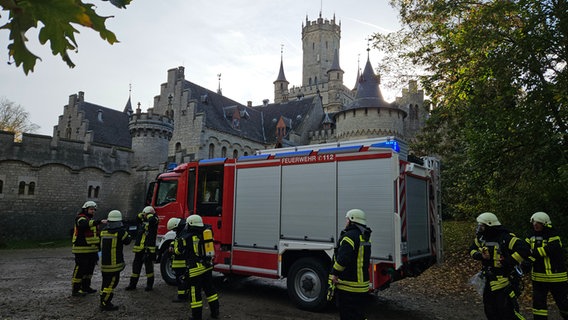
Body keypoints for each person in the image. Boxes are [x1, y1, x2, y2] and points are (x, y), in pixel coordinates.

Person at [469, 212, 531, 320]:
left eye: (482, 226)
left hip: (504, 282)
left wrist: (508, 261)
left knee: (508, 314)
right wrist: (480, 256)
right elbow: (471, 249)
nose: (479, 228)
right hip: (488, 281)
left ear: (489, 225)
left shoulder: (505, 237)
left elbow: (524, 249)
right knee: (490, 312)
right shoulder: (482, 238)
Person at [329, 209, 372, 320]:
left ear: (352, 220)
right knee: (359, 315)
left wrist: (335, 273)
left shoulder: (349, 237)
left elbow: (342, 260)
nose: (346, 222)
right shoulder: (364, 236)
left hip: (349, 285)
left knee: (347, 315)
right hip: (362, 285)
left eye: (347, 219)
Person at [526, 211, 568, 319]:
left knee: (564, 304)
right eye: (534, 223)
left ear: (545, 224)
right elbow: (524, 249)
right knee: (539, 308)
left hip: (556, 277)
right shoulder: (530, 235)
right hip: (538, 278)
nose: (535, 225)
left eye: (538, 223)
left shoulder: (553, 234)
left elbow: (551, 249)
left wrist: (532, 252)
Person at [185, 214, 219, 320]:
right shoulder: (206, 233)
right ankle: (215, 312)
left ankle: (196, 317)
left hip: (195, 269)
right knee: (210, 290)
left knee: (195, 294)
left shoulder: (188, 237)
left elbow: (181, 252)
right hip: (207, 266)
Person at [71, 200, 107, 297]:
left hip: (92, 250)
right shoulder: (80, 218)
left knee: (89, 270)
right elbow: (84, 224)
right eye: (91, 209)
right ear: (85, 209)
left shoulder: (91, 221)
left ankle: (86, 287)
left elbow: (96, 236)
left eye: (94, 210)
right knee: (80, 269)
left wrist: (98, 249)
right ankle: (76, 289)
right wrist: (98, 221)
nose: (93, 211)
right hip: (81, 249)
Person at [99, 210, 132, 311]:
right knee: (112, 283)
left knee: (105, 283)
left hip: (104, 264)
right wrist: (125, 230)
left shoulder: (103, 230)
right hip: (114, 264)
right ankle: (105, 303)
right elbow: (128, 241)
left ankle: (102, 300)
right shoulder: (120, 232)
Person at [125, 206, 159, 291]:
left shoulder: (155, 219)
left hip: (148, 249)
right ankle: (132, 284)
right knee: (136, 267)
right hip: (139, 248)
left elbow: (152, 221)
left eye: (146, 214)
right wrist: (143, 214)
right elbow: (137, 218)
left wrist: (149, 215)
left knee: (149, 268)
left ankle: (149, 285)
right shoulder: (142, 220)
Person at [168, 217, 189, 303]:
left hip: (181, 263)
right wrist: (172, 245)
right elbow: (176, 241)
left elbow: (181, 249)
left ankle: (182, 297)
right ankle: (184, 295)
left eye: (174, 229)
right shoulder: (181, 232)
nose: (174, 231)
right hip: (179, 263)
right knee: (182, 280)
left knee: (181, 281)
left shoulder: (183, 234)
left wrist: (174, 251)